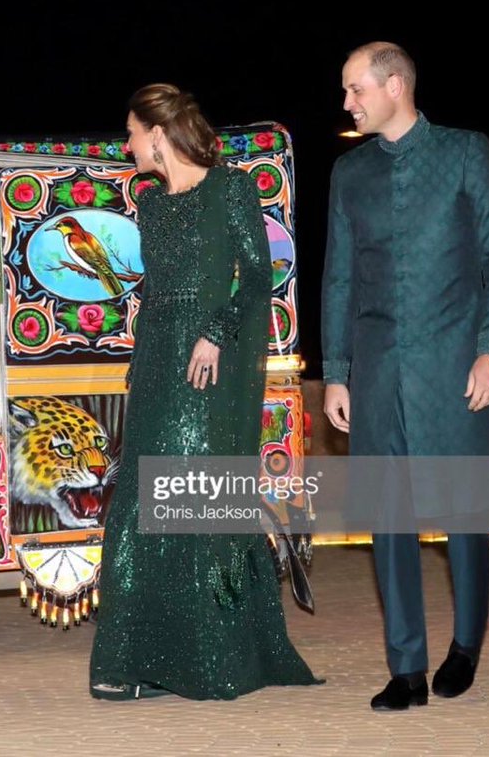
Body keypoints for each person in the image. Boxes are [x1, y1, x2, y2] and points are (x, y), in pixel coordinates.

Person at [88, 83, 321, 700]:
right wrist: (144, 361)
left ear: (158, 135)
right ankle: (137, 662)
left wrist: (215, 333)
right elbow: (159, 293)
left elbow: (258, 277)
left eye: (133, 131)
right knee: (140, 502)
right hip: (161, 360)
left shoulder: (232, 189)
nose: (128, 143)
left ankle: (216, 658)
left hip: (214, 368)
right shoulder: (152, 205)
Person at [322, 42, 489, 710]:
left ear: (394, 85)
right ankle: (405, 667)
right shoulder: (350, 173)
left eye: (355, 89)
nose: (347, 102)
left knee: (466, 511)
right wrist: (337, 371)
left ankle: (464, 647)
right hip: (376, 371)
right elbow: (339, 276)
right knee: (387, 517)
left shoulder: (466, 152)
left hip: (456, 365)